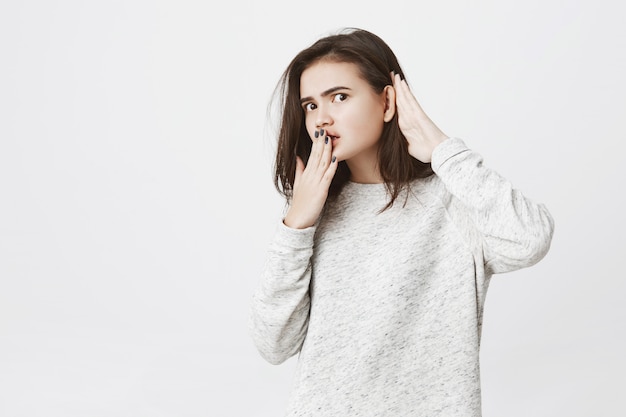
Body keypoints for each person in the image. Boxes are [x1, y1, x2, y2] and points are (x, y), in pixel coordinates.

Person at [249, 27, 554, 417]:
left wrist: (444, 151)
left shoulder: (453, 199)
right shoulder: (312, 215)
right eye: (310, 105)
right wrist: (296, 226)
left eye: (339, 97)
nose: (320, 119)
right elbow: (273, 344)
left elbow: (530, 240)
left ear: (388, 101)